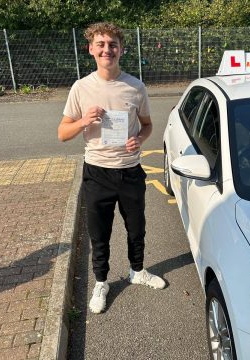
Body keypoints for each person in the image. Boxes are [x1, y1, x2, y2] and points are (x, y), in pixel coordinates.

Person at [58, 22, 166, 314]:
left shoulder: (135, 86)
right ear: (91, 49)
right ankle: (101, 282)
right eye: (101, 44)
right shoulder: (81, 88)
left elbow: (146, 126)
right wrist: (83, 121)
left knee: (137, 228)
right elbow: (62, 133)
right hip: (97, 172)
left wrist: (139, 141)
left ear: (122, 49)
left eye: (113, 44)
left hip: (130, 170)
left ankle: (137, 271)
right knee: (99, 233)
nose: (107, 49)